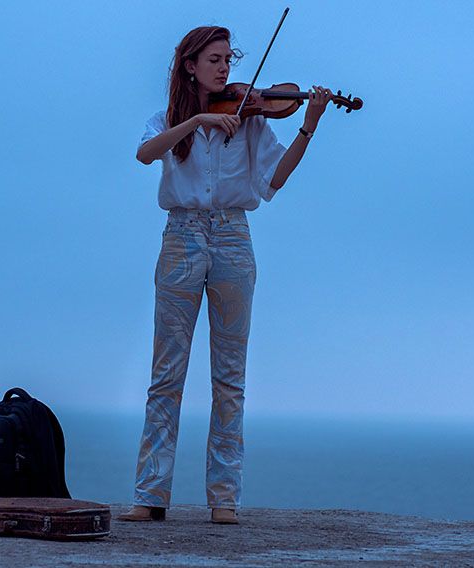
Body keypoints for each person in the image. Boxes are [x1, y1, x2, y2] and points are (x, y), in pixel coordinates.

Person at [119, 25, 332, 525]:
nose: (224, 69)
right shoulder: (167, 120)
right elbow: (145, 153)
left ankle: (224, 499)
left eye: (228, 60)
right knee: (166, 373)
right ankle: (150, 495)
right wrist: (197, 121)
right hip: (182, 237)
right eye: (213, 60)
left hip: (234, 238)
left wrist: (309, 126)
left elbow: (275, 179)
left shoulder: (250, 120)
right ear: (190, 66)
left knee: (230, 377)